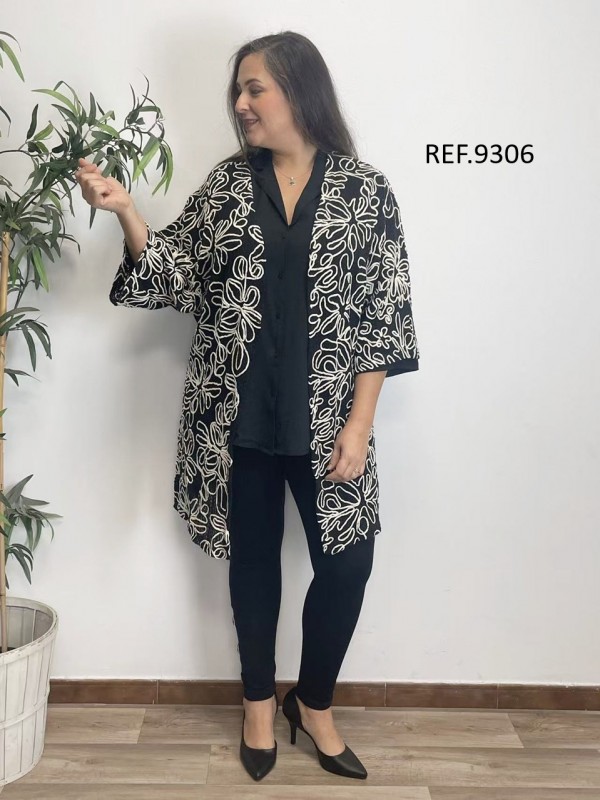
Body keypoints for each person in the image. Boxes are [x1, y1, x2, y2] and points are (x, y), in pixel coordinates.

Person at [75, 30, 419, 783]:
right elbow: (174, 273)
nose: (240, 103)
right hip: (236, 421)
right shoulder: (229, 184)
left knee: (348, 565)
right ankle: (258, 703)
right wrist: (127, 210)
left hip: (329, 422)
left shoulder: (365, 191)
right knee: (255, 565)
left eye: (254, 87)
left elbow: (383, 317)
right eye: (238, 90)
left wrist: (360, 423)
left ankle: (313, 704)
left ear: (299, 89)